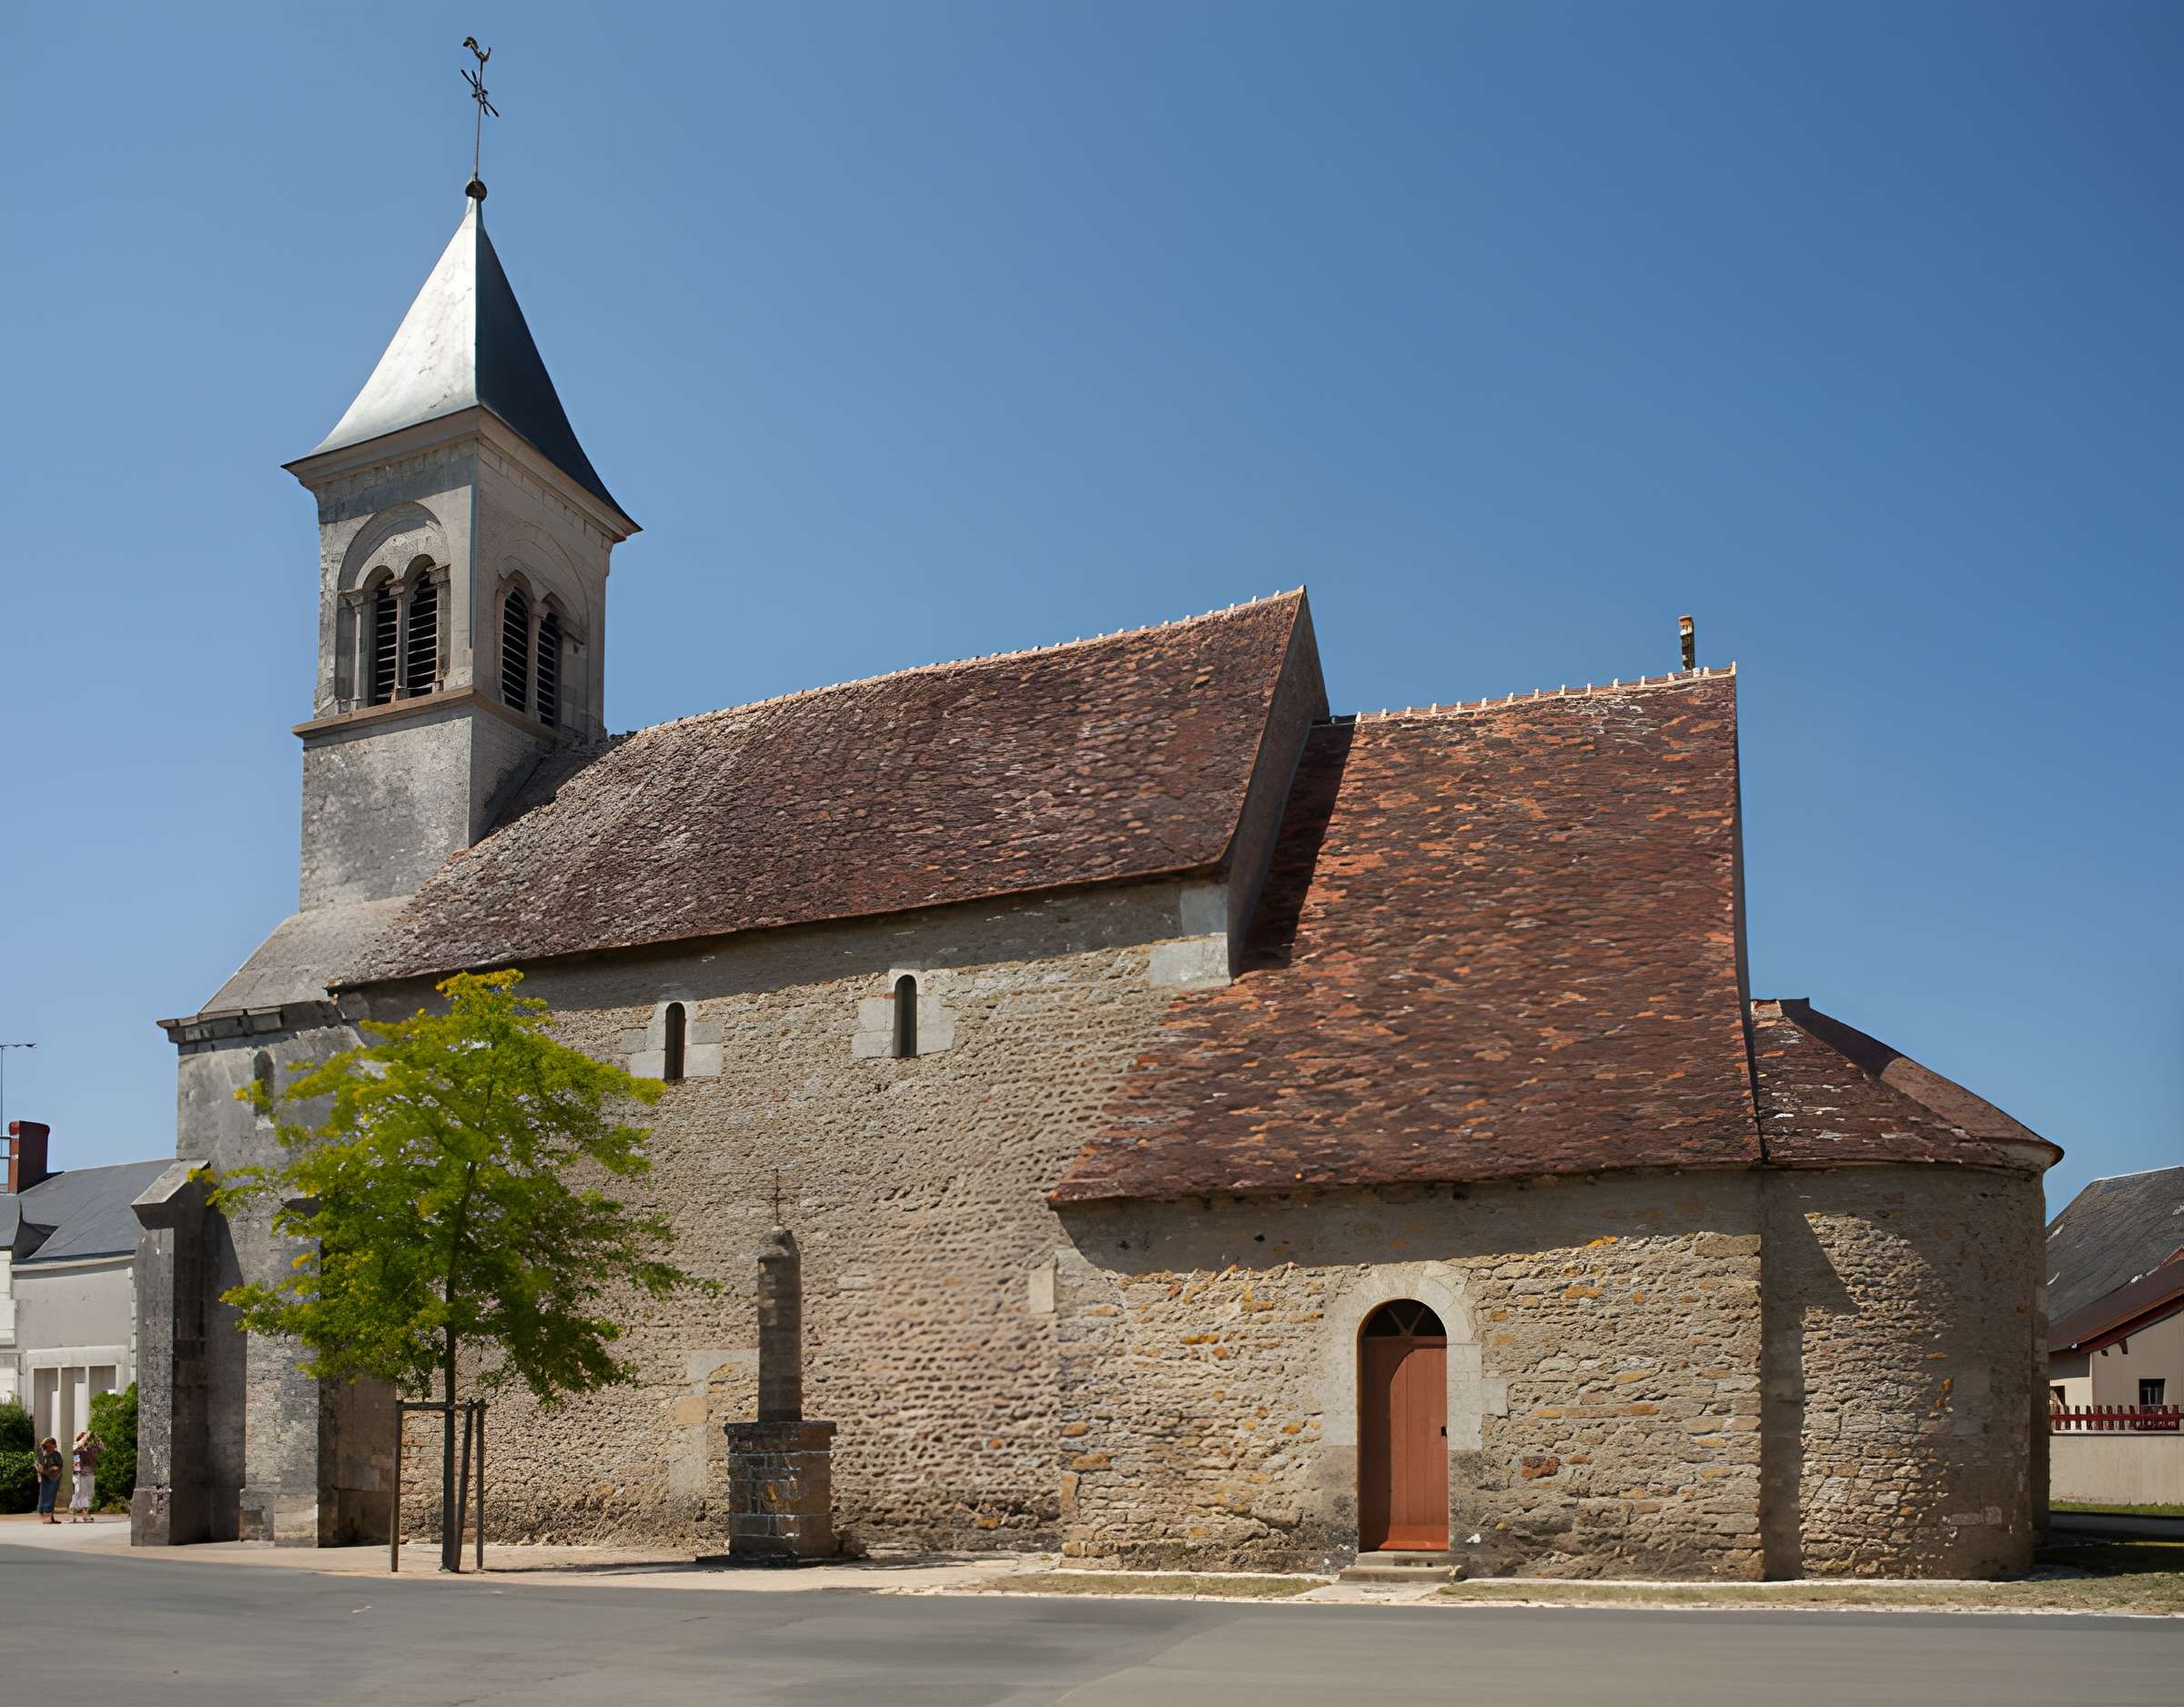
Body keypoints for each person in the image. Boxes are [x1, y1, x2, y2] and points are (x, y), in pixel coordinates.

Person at [69, 1429, 103, 1522]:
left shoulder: (91, 1448)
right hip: (78, 1474)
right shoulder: (76, 1447)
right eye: (83, 1437)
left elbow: (103, 1448)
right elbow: (76, 1453)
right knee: (77, 1494)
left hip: (90, 1473)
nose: (86, 1439)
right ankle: (73, 1515)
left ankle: (85, 1515)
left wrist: (96, 1438)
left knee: (89, 1494)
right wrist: (86, 1436)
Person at [33, 1436, 64, 1524]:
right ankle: (46, 1518)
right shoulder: (42, 1454)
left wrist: (53, 1469)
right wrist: (47, 1469)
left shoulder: (57, 1454)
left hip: (54, 1478)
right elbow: (38, 1465)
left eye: (51, 1445)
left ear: (54, 1446)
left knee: (51, 1497)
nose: (49, 1447)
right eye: (47, 1445)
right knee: (44, 1497)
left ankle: (50, 1517)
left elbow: (59, 1466)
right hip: (45, 1478)